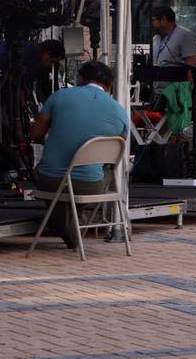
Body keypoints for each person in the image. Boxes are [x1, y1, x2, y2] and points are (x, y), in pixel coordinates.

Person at [28, 60, 129, 249]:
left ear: (81, 78)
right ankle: (73, 223)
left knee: (46, 176)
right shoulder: (120, 112)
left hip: (53, 180)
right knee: (106, 172)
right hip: (91, 185)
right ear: (110, 85)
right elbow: (117, 151)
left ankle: (68, 230)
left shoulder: (59, 96)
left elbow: (35, 134)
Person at [149, 5, 196, 89]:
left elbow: (191, 64)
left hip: (175, 92)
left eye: (153, 20)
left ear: (163, 19)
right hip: (156, 90)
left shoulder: (185, 35)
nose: (151, 23)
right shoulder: (156, 38)